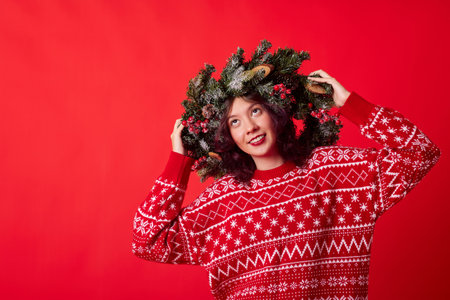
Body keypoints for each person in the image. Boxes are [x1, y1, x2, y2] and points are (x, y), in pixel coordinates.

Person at [132, 45, 440, 299]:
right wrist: (178, 160)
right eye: (235, 121)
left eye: (255, 111)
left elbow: (419, 152)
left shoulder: (335, 172)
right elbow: (146, 241)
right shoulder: (222, 203)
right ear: (227, 134)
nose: (250, 127)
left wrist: (349, 103)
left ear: (275, 111)